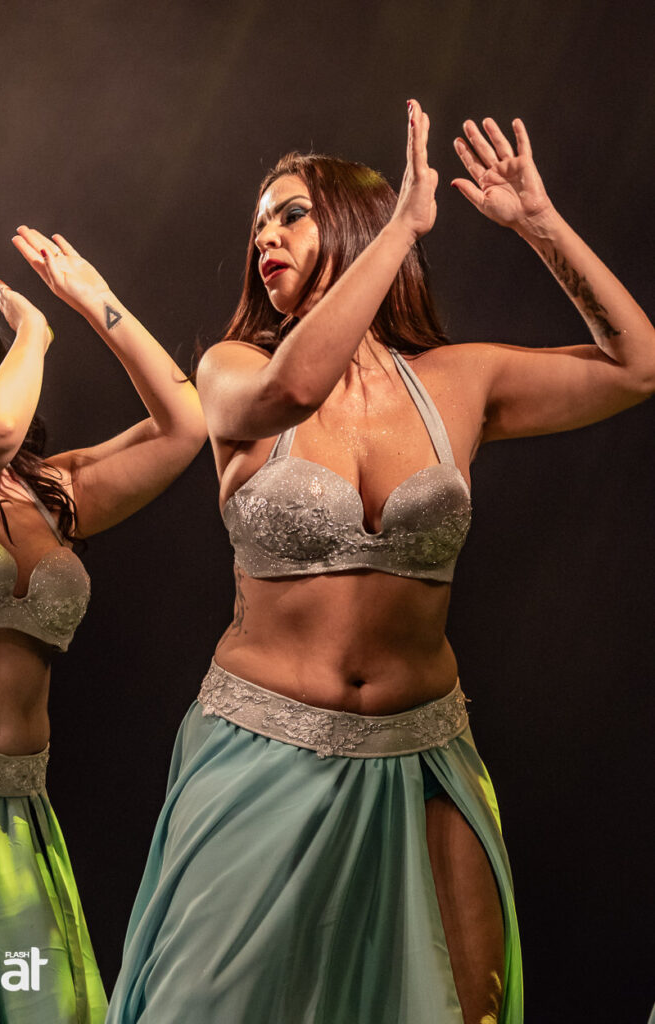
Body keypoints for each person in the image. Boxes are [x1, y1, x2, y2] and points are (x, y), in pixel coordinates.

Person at [105, 101, 654, 1024]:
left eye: (290, 214)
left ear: (350, 223)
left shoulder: (459, 381)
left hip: (425, 758)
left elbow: (637, 366)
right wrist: (402, 230)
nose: (265, 238)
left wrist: (541, 226)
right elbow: (297, 386)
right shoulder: (234, 370)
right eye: (257, 227)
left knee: (464, 1007)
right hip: (259, 753)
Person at [0, 228, 207, 1024]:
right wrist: (36, 334)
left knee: (41, 1007)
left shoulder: (50, 491)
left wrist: (94, 302)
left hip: (17, 816)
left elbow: (184, 426)